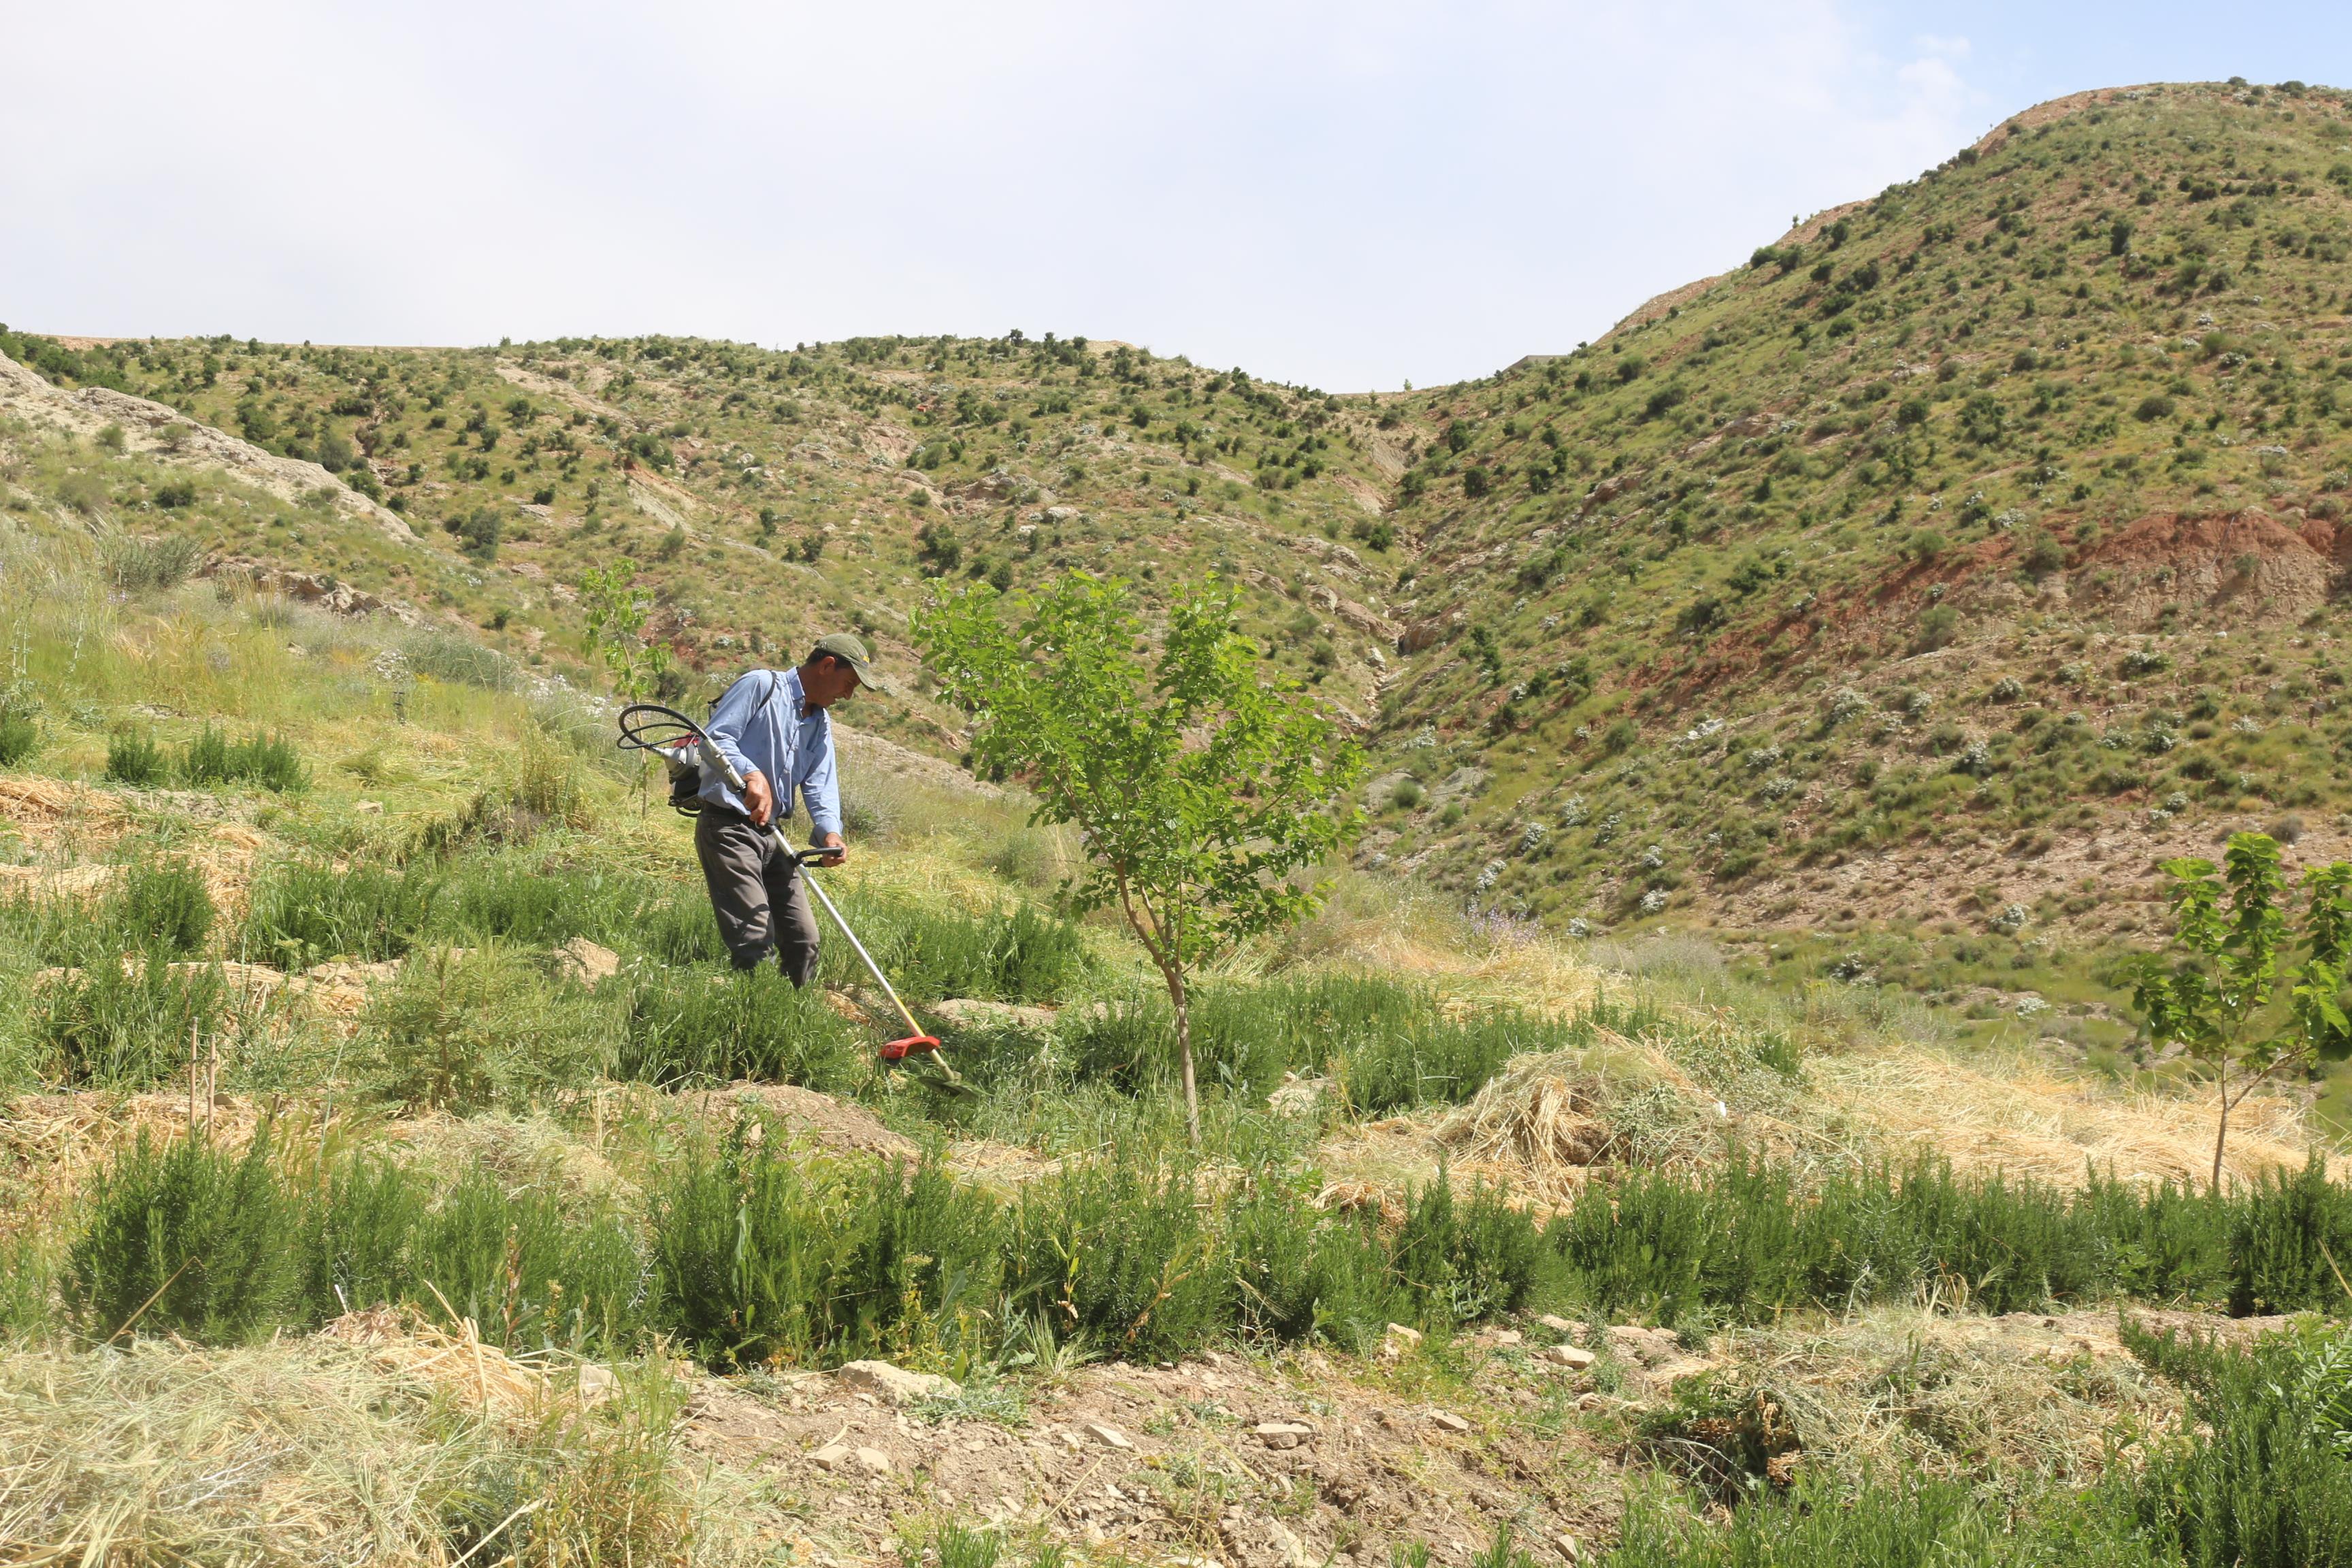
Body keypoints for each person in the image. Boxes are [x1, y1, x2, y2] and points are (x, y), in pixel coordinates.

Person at [693, 632, 892, 984]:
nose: (847, 695)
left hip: (774, 836)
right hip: (728, 828)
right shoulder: (760, 685)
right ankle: (752, 1023)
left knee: (804, 942)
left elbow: (820, 781)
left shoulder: (819, 721)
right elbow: (715, 739)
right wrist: (751, 773)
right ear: (827, 666)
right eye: (848, 684)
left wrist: (830, 831)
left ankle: (796, 1019)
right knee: (755, 941)